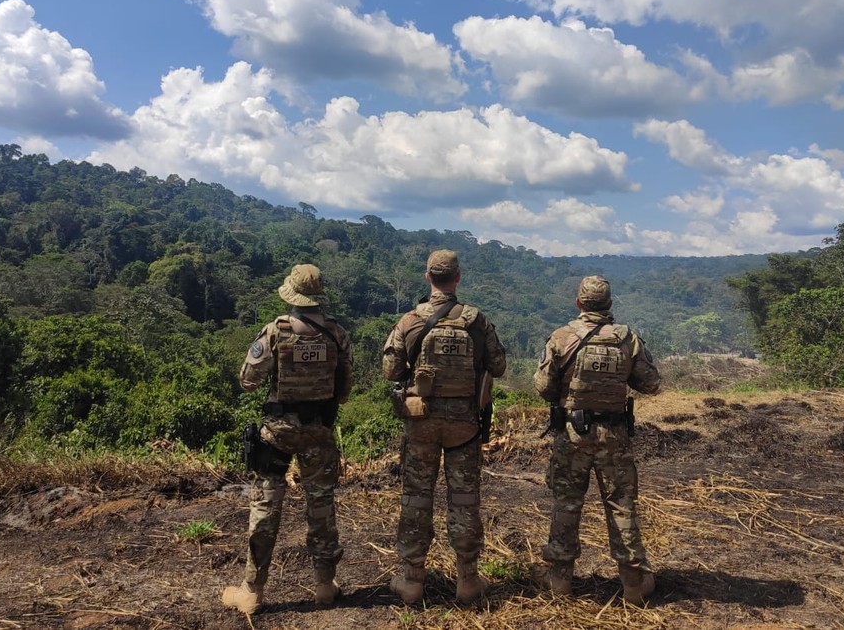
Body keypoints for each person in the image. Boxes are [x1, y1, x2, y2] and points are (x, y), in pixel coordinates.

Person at [222, 263, 353, 615]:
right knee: (321, 504)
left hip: (278, 432)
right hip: (319, 431)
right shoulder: (337, 335)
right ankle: (325, 585)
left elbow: (248, 379)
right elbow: (344, 390)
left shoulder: (275, 332)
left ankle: (252, 590)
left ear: (292, 294)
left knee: (266, 505)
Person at [382, 249, 507, 605]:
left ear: (427, 278)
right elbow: (497, 366)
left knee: (416, 500)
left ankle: (411, 581)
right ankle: (467, 580)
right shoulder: (476, 320)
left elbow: (391, 370)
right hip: (464, 427)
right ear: (458, 278)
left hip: (421, 425)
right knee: (464, 501)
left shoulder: (410, 321)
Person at [533, 275, 661, 604]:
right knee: (622, 505)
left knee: (566, 503)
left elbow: (545, 388)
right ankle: (633, 584)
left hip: (572, 434)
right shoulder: (626, 338)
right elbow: (650, 383)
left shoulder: (561, 338)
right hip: (615, 436)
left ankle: (560, 580)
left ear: (579, 304)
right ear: (609, 305)